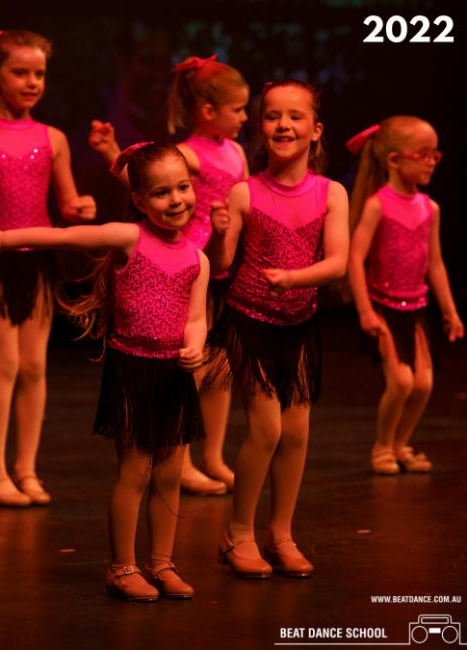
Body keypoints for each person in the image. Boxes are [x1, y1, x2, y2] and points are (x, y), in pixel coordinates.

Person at [0, 141, 209, 602]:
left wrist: (195, 346)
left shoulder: (197, 259)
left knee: (169, 473)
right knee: (135, 470)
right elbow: (67, 237)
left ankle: (162, 563)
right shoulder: (129, 238)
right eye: (162, 192)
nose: (176, 200)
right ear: (139, 199)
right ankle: (121, 567)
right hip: (132, 369)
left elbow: (196, 317)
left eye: (183, 188)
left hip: (173, 374)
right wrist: (4, 239)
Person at [204, 79, 349, 578]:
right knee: (265, 429)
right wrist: (218, 235)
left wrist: (292, 279)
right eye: (272, 116)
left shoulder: (331, 193)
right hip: (249, 321)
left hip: (299, 322)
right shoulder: (244, 191)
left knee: (296, 432)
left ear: (316, 129)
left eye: (294, 116)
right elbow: (222, 265)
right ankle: (237, 533)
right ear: (261, 127)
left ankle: (280, 533)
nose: (283, 125)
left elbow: (337, 263)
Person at [0, 26, 96, 507]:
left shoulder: (53, 139)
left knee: (34, 364)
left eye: (39, 74)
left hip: (38, 259)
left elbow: (67, 203)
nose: (32, 83)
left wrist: (81, 209)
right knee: (6, 361)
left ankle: (26, 469)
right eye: (21, 73)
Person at [89, 54, 250, 495]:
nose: (244, 118)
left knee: (221, 367)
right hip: (188, 268)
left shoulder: (235, 151)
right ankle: (182, 460)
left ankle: (213, 456)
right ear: (208, 111)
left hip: (221, 268)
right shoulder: (189, 155)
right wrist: (112, 153)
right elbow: (150, 188)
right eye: (238, 109)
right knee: (189, 366)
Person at [346, 117, 464, 475]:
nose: (431, 162)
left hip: (416, 307)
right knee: (400, 382)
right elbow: (354, 258)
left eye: (434, 155)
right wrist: (365, 311)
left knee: (423, 385)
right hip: (384, 306)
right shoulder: (378, 205)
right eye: (423, 154)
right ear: (395, 160)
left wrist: (450, 311)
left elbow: (436, 264)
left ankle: (400, 444)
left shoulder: (430, 208)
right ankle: (382, 446)